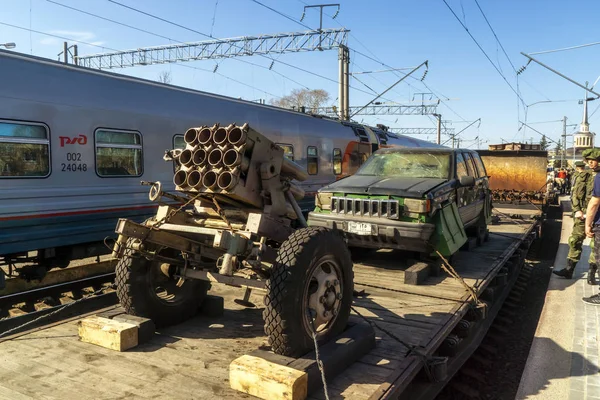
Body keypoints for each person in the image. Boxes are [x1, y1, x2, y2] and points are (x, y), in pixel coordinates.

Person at [554, 157, 596, 281]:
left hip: (597, 216)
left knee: (596, 245)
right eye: (589, 160)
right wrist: (577, 210)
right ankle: (569, 270)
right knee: (574, 240)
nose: (590, 163)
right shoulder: (583, 176)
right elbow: (576, 194)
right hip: (583, 214)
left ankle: (592, 274)